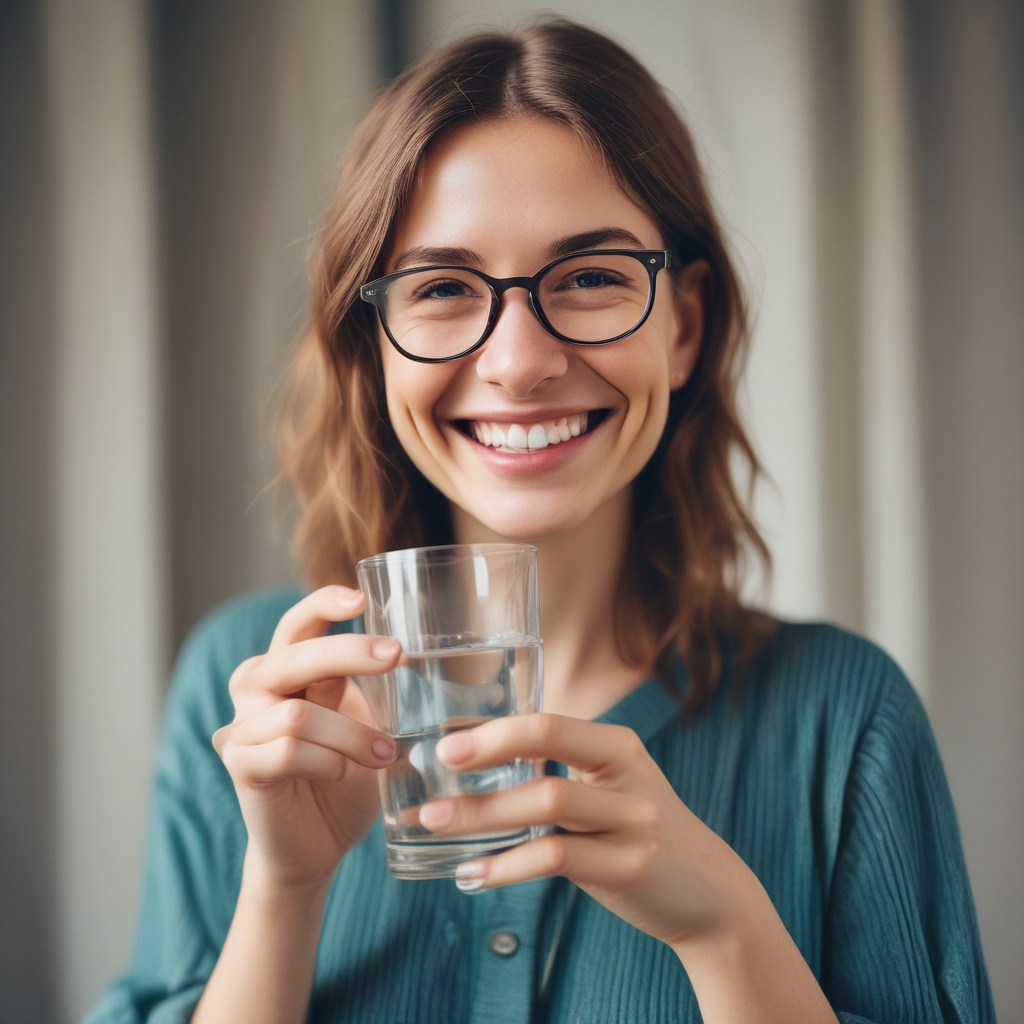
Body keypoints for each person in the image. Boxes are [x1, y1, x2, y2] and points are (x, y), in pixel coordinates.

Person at [85, 17, 994, 1024]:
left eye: (593, 277)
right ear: (374, 344)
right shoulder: (251, 690)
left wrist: (726, 930)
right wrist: (284, 891)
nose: (518, 361)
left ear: (684, 324)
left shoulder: (845, 719)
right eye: (440, 287)